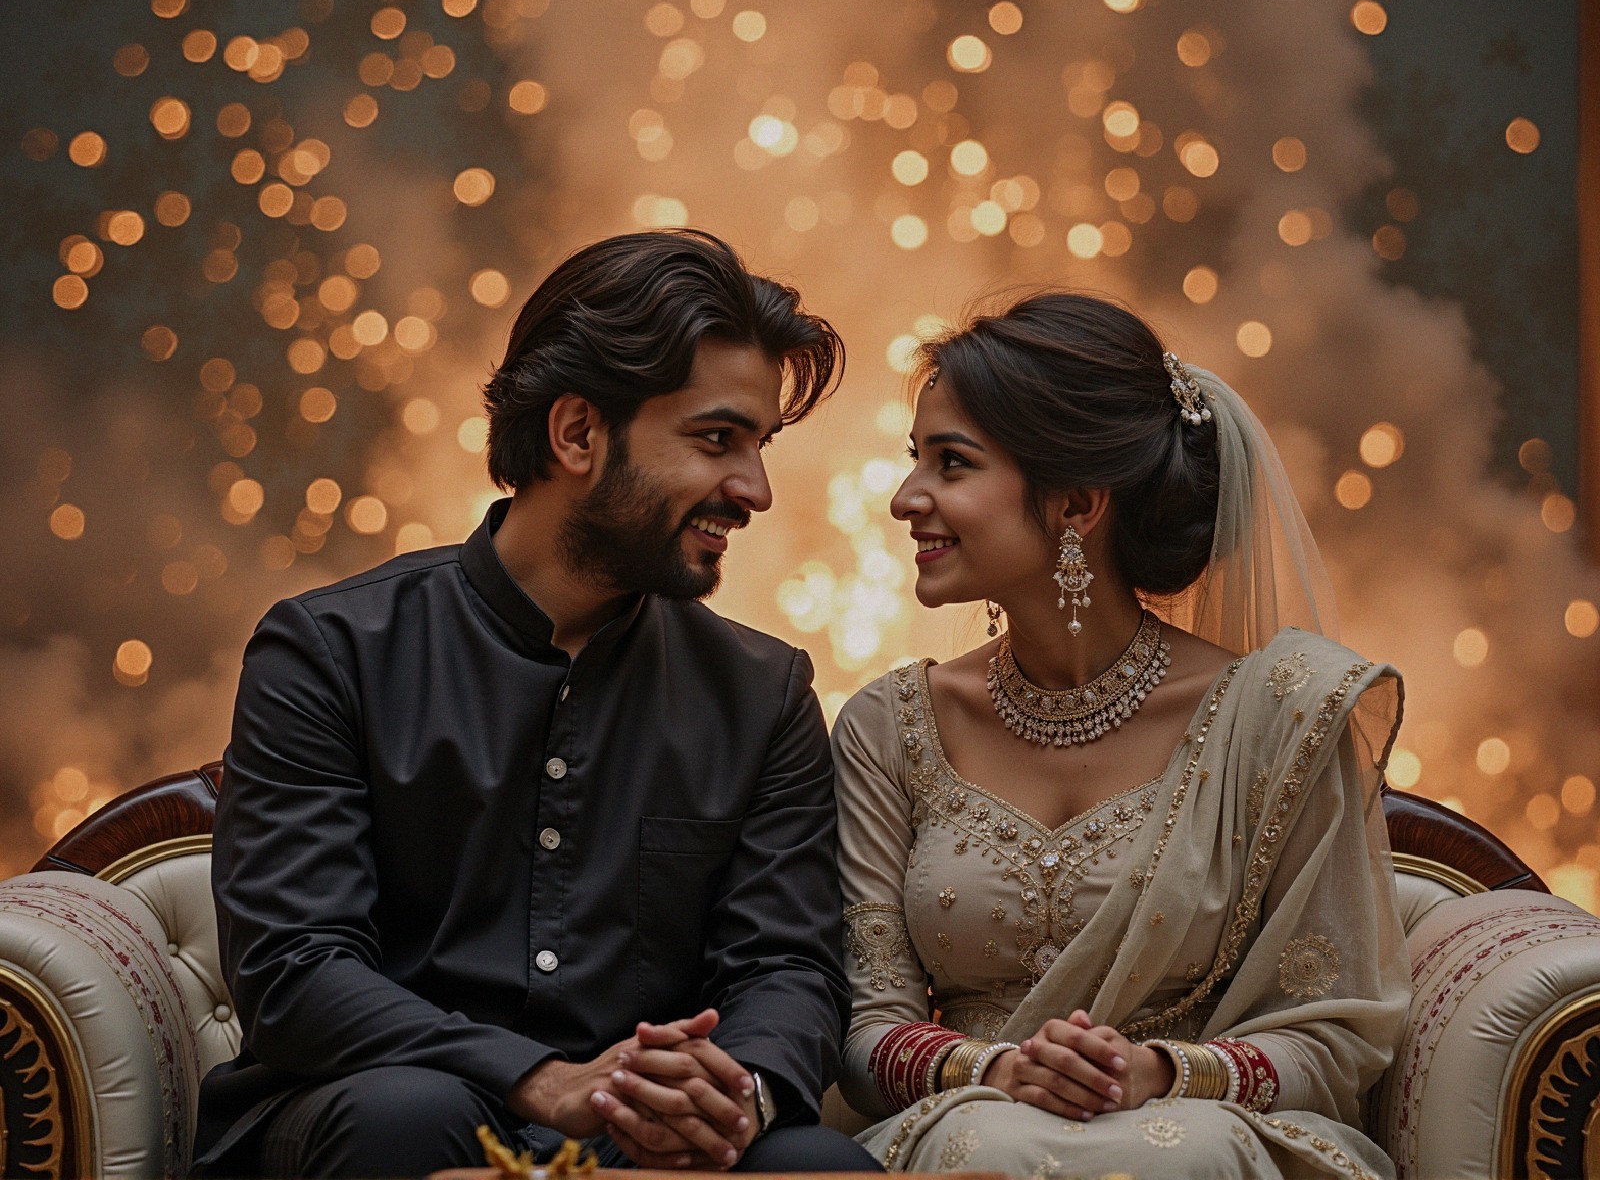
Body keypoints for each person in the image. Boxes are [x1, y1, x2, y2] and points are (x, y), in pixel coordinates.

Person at [192, 229, 881, 1178]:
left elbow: (788, 968)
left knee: (814, 1168)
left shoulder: (764, 695)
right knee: (411, 1114)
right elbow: (294, 974)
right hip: (381, 1106)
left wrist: (731, 1097)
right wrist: (540, 1077)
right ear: (576, 434)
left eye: (758, 447)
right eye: (717, 440)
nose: (753, 490)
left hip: (636, 1136)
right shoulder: (331, 652)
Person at [832, 292, 1409, 1178]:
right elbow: (869, 1030)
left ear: (1076, 504)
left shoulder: (1277, 717)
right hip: (969, 1119)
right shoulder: (891, 726)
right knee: (978, 1149)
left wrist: (1160, 1071)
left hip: (1204, 1126)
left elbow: (1336, 1035)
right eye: (917, 459)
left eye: (952, 464)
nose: (908, 497)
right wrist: (997, 1068)